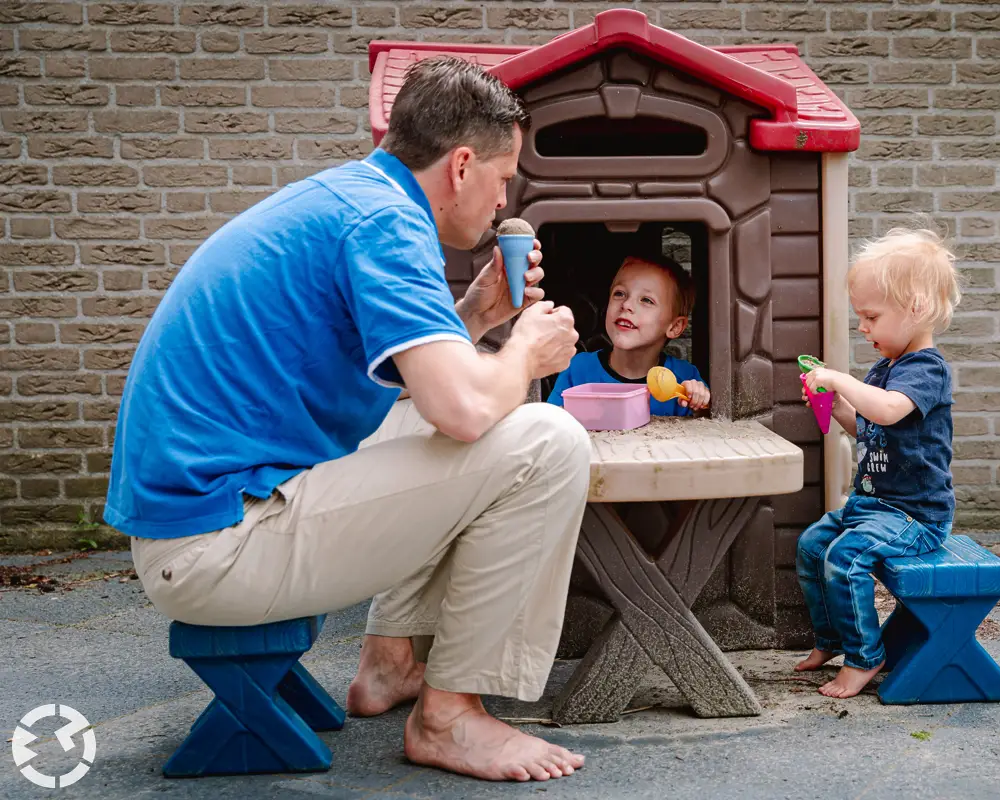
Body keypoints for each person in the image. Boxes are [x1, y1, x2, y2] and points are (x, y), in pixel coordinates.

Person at [104, 57, 590, 782]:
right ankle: (450, 717)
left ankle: (390, 664)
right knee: (547, 440)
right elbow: (459, 409)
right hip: (217, 547)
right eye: (503, 175)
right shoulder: (389, 227)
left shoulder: (357, 201)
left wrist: (477, 318)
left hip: (202, 527)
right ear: (461, 165)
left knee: (466, 423)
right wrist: (524, 348)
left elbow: (404, 392)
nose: (503, 198)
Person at [792, 227, 962, 699]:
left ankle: (867, 658)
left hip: (915, 515)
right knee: (812, 546)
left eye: (871, 316)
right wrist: (836, 406)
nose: (863, 327)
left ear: (917, 309)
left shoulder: (927, 369)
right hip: (873, 507)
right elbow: (869, 426)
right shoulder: (885, 369)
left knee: (845, 560)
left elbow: (887, 410)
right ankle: (831, 640)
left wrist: (841, 380)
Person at [546, 253, 711, 414]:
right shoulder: (577, 369)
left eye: (646, 300)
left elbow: (706, 425)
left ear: (675, 327)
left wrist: (699, 400)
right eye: (620, 293)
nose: (626, 304)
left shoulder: (683, 378)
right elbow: (552, 420)